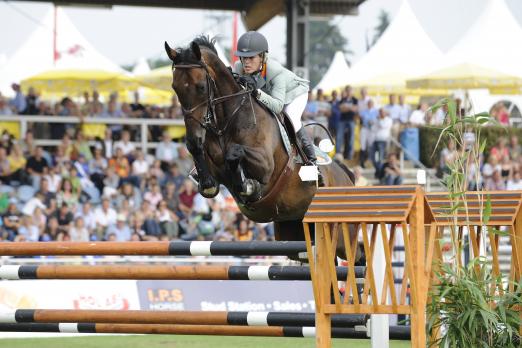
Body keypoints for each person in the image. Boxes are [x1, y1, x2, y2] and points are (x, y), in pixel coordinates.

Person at [233, 31, 322, 182]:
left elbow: (278, 106)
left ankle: (312, 163)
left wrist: (257, 93)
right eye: (243, 57)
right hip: (271, 95)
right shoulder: (238, 67)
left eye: (251, 58)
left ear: (262, 57)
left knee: (292, 119)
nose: (246, 62)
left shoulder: (276, 73)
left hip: (295, 93)